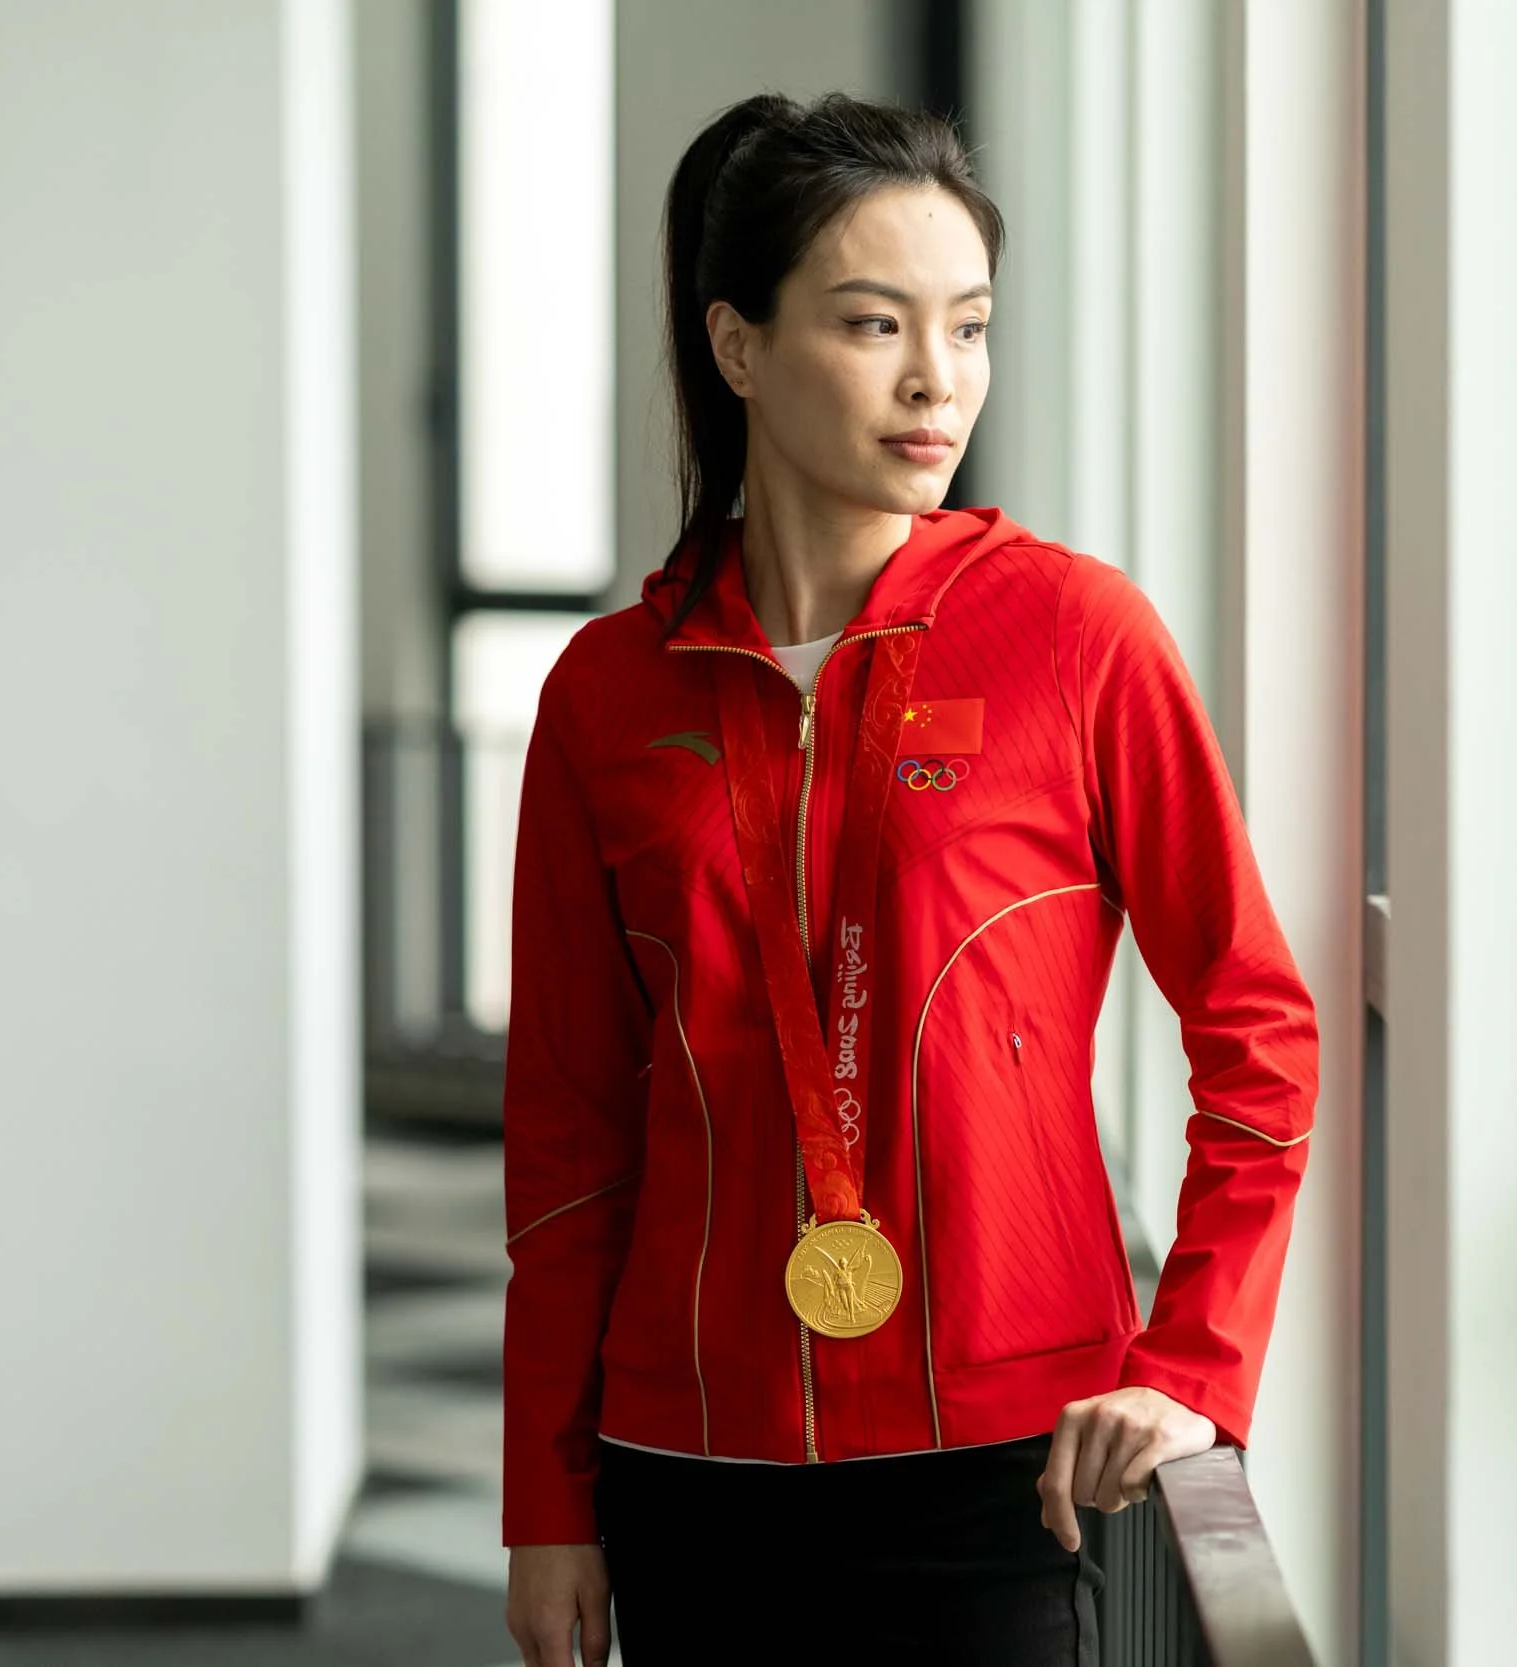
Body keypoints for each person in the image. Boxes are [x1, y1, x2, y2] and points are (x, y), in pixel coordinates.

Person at [499, 90, 1318, 1667]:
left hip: (1005, 1470)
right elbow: (571, 1134)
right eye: (876, 324)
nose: (938, 380)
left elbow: (1259, 1029)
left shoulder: (1079, 637)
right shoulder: (608, 694)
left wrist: (1194, 1361)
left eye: (970, 326)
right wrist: (551, 1495)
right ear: (738, 345)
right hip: (694, 1470)